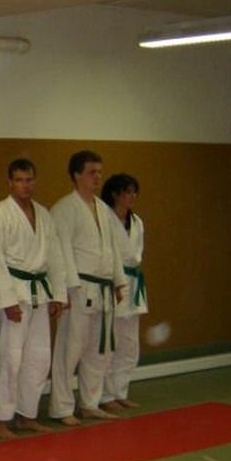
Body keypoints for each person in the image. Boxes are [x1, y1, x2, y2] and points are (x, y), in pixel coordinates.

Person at [0, 158, 67, 439]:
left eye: (29, 180)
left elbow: (55, 256)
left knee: (39, 358)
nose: (25, 185)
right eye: (19, 180)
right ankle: (0, 419)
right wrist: (7, 301)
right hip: (14, 294)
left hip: (39, 292)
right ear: (10, 183)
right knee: (9, 359)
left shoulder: (44, 214)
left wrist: (57, 294)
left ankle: (26, 414)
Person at [48, 150, 127, 425]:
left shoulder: (103, 209)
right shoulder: (63, 209)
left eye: (100, 172)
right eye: (92, 172)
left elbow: (113, 248)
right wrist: (69, 289)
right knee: (69, 350)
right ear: (76, 175)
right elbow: (61, 251)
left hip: (103, 288)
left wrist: (118, 281)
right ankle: (62, 408)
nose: (97, 177)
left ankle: (90, 403)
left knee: (98, 349)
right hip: (79, 288)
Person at [100, 173, 147, 411]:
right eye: (127, 192)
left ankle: (120, 391)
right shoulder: (105, 219)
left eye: (134, 192)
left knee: (130, 344)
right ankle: (105, 395)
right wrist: (115, 281)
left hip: (133, 282)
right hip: (114, 282)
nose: (132, 196)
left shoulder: (136, 221)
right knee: (111, 341)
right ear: (114, 194)